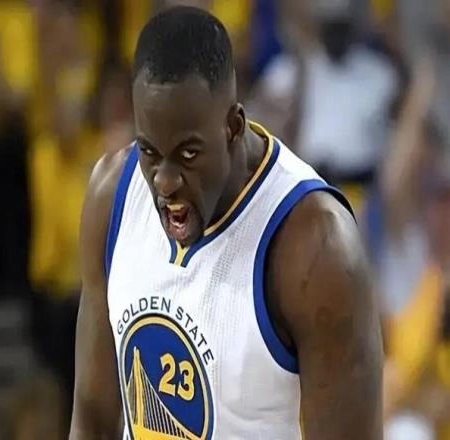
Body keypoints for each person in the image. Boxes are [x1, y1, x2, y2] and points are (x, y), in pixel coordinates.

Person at [70, 6, 383, 440]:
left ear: (234, 126)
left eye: (188, 154)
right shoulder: (112, 197)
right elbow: (92, 418)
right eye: (150, 152)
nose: (165, 181)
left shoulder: (316, 246)